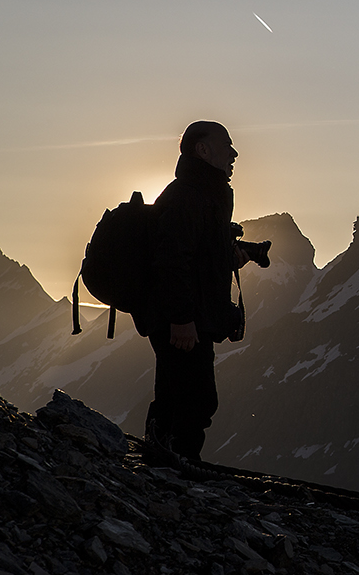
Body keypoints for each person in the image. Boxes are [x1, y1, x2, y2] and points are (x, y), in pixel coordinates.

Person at [135, 120, 248, 462]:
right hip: (181, 318)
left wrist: (230, 257)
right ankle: (179, 465)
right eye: (226, 144)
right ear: (203, 149)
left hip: (183, 315)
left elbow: (196, 256)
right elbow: (171, 260)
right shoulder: (188, 196)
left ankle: (163, 460)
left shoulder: (204, 194)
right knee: (196, 398)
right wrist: (181, 319)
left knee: (175, 393)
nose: (234, 153)